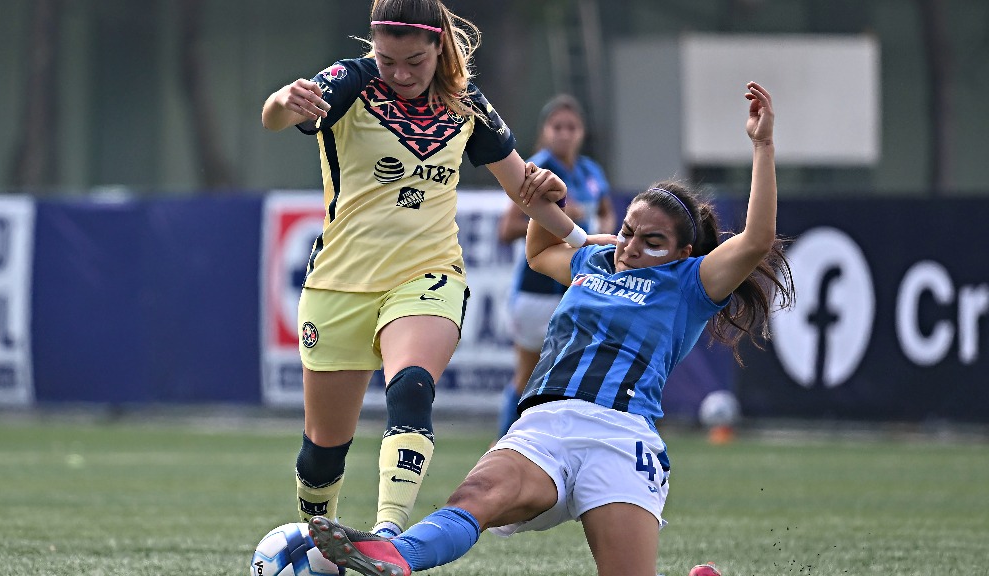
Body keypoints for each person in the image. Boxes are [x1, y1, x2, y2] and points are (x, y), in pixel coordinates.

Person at [306, 82, 794, 576]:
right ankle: (396, 556)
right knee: (476, 494)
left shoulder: (690, 283)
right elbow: (539, 254)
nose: (630, 247)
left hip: (620, 437)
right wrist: (546, 203)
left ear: (683, 253)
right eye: (627, 231)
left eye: (652, 241)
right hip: (545, 424)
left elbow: (757, 239)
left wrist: (762, 144)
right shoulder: (596, 260)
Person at [260, 0, 593, 540]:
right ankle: (320, 544)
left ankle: (391, 539)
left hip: (429, 275)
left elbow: (523, 188)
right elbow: (276, 117)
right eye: (388, 60)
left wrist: (583, 243)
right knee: (323, 452)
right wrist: (282, 99)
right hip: (338, 286)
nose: (400, 74)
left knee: (411, 387)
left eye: (414, 60)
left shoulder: (468, 104)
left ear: (439, 45)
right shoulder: (348, 82)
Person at [496, 94, 615, 439]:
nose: (564, 134)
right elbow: (507, 229)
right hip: (538, 289)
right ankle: (503, 444)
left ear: (582, 132)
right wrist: (560, 221)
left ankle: (554, 445)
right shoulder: (536, 168)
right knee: (528, 377)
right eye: (557, 127)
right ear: (545, 131)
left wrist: (599, 225)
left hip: (577, 287)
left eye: (572, 127)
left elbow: (606, 208)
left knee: (570, 376)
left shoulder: (591, 170)